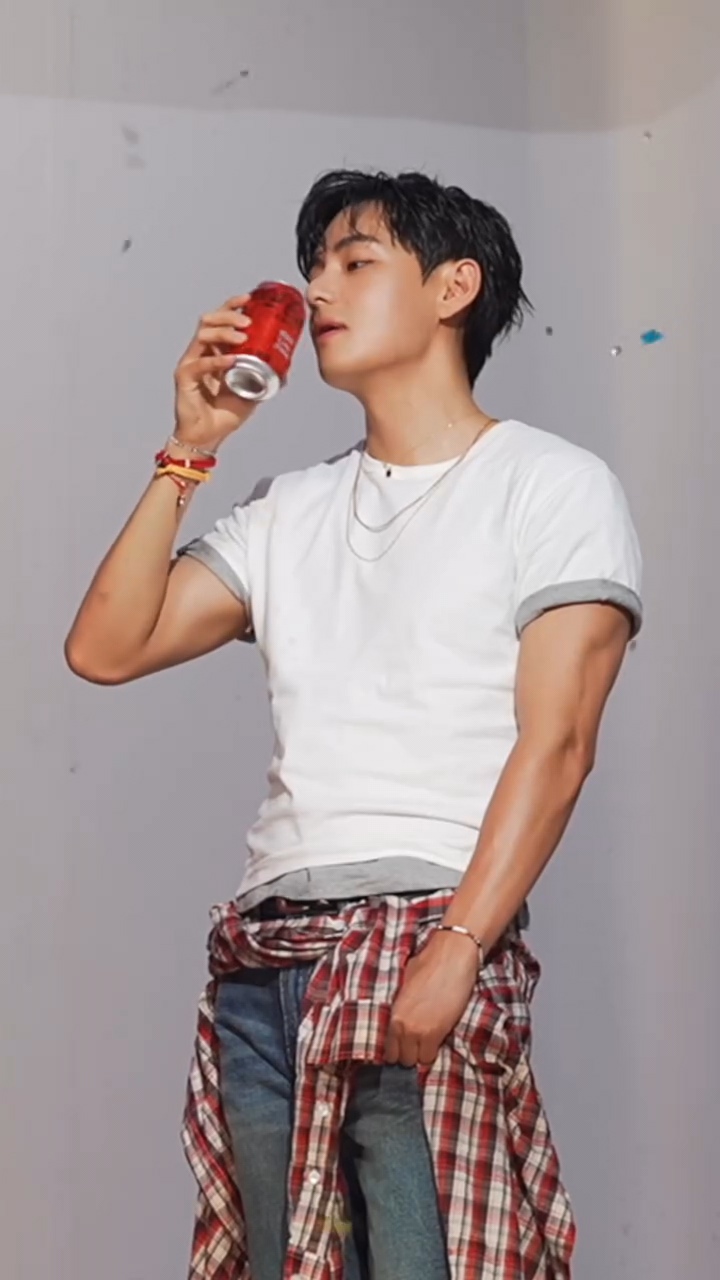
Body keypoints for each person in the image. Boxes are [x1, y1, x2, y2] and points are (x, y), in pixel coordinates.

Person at [65, 169, 642, 1280]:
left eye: (355, 261)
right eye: (315, 266)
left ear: (453, 288)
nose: (318, 289)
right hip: (267, 960)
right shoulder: (290, 508)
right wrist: (192, 447)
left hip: (421, 934)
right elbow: (107, 647)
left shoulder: (550, 483)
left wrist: (459, 948)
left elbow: (561, 741)